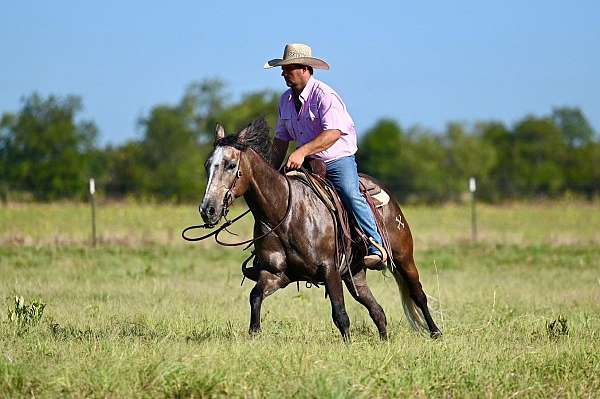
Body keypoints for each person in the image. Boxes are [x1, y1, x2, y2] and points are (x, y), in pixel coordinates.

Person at [264, 43, 386, 268]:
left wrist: (301, 151)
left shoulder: (325, 95)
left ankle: (376, 245)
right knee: (276, 198)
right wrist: (270, 171)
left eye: (288, 68)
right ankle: (272, 256)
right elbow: (281, 140)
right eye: (283, 69)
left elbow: (333, 133)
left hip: (337, 160)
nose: (283, 74)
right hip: (308, 162)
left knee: (350, 193)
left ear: (304, 69)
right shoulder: (285, 100)